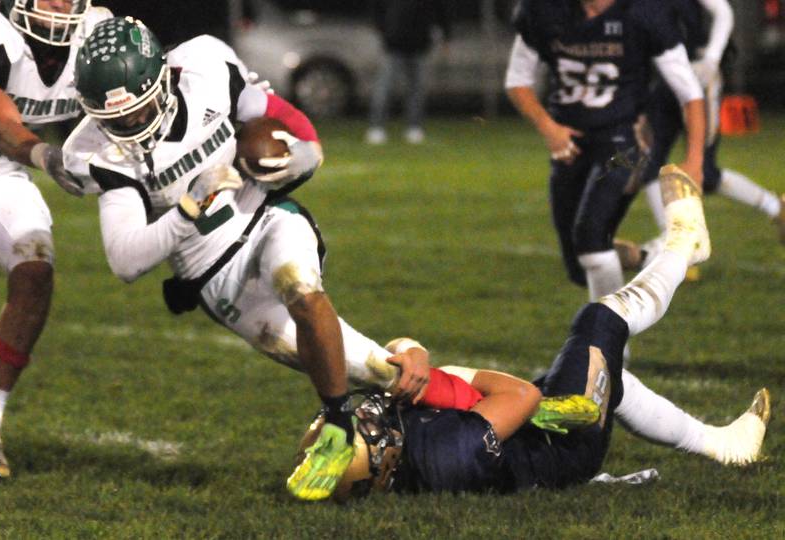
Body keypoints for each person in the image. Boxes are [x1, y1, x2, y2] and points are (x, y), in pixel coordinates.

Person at [61, 16, 430, 500]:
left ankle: (338, 427)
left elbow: (272, 111)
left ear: (162, 78)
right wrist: (188, 209)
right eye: (113, 119)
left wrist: (306, 152)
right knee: (374, 369)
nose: (129, 126)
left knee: (300, 285)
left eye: (137, 110)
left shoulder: (204, 66)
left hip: (264, 217)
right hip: (215, 276)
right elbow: (126, 260)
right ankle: (472, 391)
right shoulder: (97, 152)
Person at [301, 165, 771, 497]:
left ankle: (724, 445)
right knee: (600, 321)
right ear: (384, 459)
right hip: (564, 444)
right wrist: (455, 377)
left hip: (533, 432)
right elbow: (520, 396)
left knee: (610, 376)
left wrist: (411, 349)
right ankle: (684, 246)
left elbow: (398, 357)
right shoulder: (449, 455)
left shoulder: (402, 454)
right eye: (365, 431)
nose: (365, 416)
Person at [504, 0, 706, 314]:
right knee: (578, 266)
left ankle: (610, 349)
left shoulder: (644, 13)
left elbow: (690, 94)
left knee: (590, 237)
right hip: (571, 144)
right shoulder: (545, 11)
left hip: (625, 144)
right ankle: (641, 258)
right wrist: (549, 128)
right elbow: (517, 81)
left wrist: (695, 161)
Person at [0, 0, 112, 480]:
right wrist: (41, 153)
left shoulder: (95, 36)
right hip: (11, 153)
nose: (59, 2)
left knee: (35, 267)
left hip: (0, 176)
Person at [618, 0, 784, 275]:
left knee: (703, 172)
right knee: (645, 161)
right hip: (663, 79)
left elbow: (722, 10)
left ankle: (774, 206)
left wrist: (712, 57)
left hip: (696, 75)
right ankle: (676, 251)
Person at [365, 0, 452, 145]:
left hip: (419, 44)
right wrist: (383, 31)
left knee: (417, 90)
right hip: (394, 44)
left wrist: (447, 36)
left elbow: (440, 10)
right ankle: (376, 127)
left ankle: (414, 127)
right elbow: (377, 9)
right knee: (385, 88)